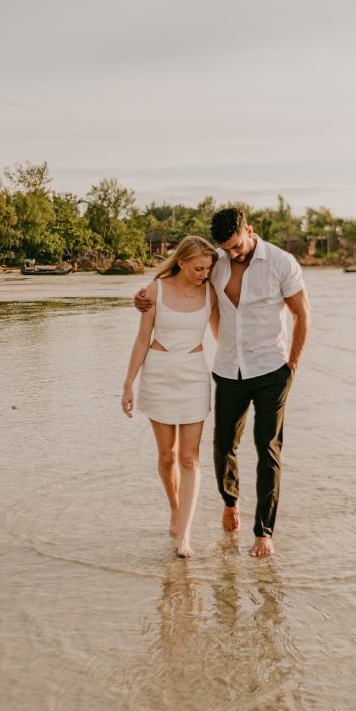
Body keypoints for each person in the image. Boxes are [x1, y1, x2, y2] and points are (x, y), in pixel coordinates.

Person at [135, 207, 310, 558]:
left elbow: (301, 313)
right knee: (223, 445)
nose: (231, 254)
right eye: (225, 248)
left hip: (272, 369)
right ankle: (231, 501)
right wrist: (141, 296)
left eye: (236, 246)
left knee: (268, 449)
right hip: (229, 368)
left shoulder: (281, 262)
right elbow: (175, 281)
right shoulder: (214, 262)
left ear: (250, 229)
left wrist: (292, 365)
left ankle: (263, 532)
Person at [122, 235, 219, 557]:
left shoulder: (212, 292)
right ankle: (175, 508)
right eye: (198, 267)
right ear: (181, 262)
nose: (204, 273)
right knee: (167, 456)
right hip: (159, 374)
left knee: (189, 457)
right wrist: (128, 384)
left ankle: (185, 537)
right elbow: (141, 340)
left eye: (208, 268)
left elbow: (225, 330)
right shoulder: (155, 290)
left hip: (194, 376)